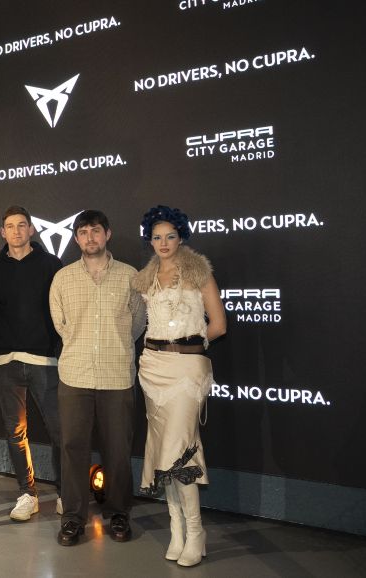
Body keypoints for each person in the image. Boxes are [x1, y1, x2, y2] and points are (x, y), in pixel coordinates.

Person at [132, 205, 226, 567]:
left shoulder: (199, 272)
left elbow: (218, 325)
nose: (164, 243)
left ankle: (196, 531)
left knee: (179, 448)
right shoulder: (144, 279)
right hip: (152, 368)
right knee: (161, 450)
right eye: (157, 237)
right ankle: (177, 529)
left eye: (170, 236)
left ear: (181, 237)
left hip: (187, 370)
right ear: (150, 241)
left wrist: (190, 347)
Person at [49, 209, 146, 547]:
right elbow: (61, 325)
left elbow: (137, 324)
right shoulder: (63, 278)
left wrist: (114, 348)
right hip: (74, 375)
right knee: (72, 448)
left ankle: (119, 512)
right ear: (76, 238)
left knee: (118, 449)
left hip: (116, 375)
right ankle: (73, 517)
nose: (90, 237)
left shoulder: (130, 276)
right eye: (83, 232)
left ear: (108, 234)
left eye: (95, 231)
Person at [0, 205, 64, 521]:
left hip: (44, 359)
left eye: (21, 225)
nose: (16, 231)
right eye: (10, 226)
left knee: (59, 430)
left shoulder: (51, 265)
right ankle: (27, 494)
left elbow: (60, 312)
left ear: (31, 229)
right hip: (5, 361)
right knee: (15, 431)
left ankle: (66, 492)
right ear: (2, 232)